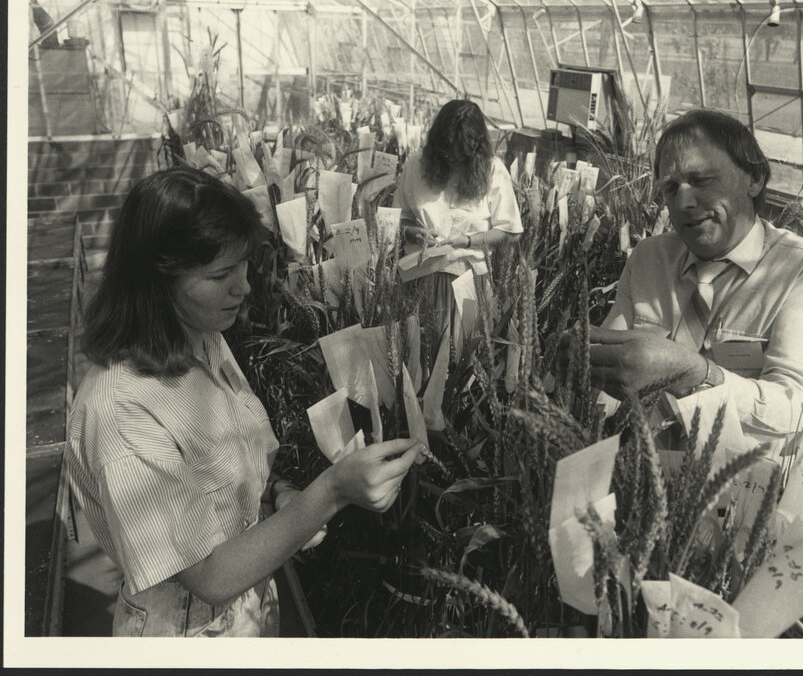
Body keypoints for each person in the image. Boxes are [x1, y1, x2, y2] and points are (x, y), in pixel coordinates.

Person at [64, 166, 423, 637]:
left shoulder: (202, 337)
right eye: (220, 274)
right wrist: (332, 492)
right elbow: (210, 577)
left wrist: (280, 493)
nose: (245, 287)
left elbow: (238, 455)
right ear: (156, 281)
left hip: (250, 613)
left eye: (243, 265)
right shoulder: (120, 411)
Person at [588, 109, 803, 440]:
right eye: (670, 187)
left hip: (745, 484)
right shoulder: (649, 258)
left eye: (701, 180)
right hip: (642, 471)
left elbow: (800, 412)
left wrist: (694, 375)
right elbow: (607, 374)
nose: (683, 201)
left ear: (754, 179)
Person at [392, 99, 523, 352]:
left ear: (475, 148)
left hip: (468, 281)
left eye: (459, 153)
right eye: (445, 151)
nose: (451, 158)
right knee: (417, 358)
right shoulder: (416, 165)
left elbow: (510, 232)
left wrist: (469, 240)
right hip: (418, 279)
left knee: (461, 358)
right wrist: (412, 232)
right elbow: (396, 218)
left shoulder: (492, 171)